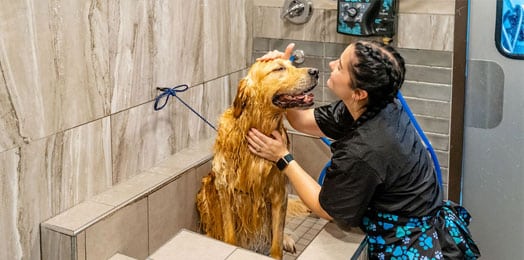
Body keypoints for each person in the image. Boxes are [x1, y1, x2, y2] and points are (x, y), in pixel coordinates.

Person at [246, 40, 480, 259]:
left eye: (339, 66)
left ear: (359, 93)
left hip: (410, 247)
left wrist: (283, 158)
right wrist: (282, 81)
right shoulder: (377, 105)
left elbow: (327, 209)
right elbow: (302, 121)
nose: (330, 65)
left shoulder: (366, 149)